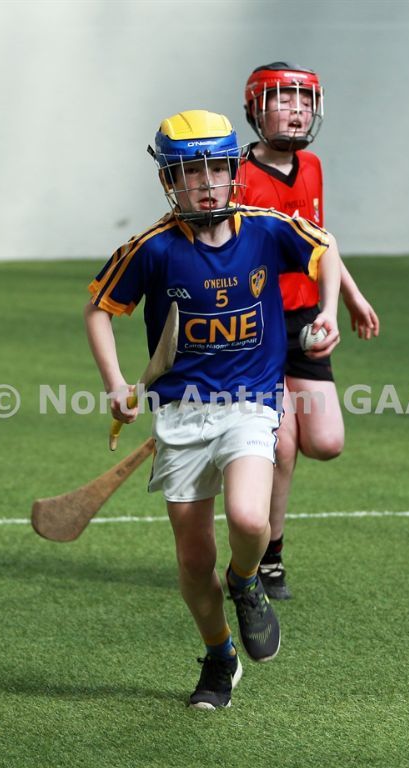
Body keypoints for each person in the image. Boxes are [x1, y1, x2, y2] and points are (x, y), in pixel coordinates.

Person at [85, 110, 342, 709]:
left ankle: (246, 578)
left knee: (249, 521)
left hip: (252, 403)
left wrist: (329, 311)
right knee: (193, 557)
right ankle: (220, 656)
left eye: (217, 168)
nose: (205, 182)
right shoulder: (151, 248)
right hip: (180, 415)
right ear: (169, 180)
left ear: (234, 170)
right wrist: (116, 382)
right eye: (189, 171)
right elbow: (99, 309)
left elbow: (325, 247)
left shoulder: (265, 230)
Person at [238, 62, 380, 600]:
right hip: (256, 328)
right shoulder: (236, 176)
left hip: (305, 322)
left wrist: (349, 297)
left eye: (304, 101)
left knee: (326, 441)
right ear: (255, 109)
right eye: (283, 99)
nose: (296, 111)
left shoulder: (312, 166)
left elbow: (319, 243)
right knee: (284, 445)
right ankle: (266, 559)